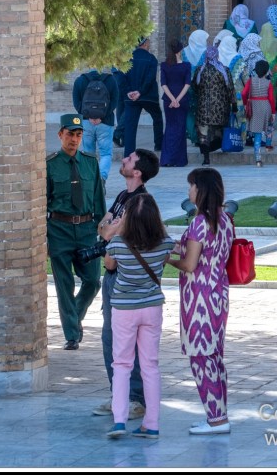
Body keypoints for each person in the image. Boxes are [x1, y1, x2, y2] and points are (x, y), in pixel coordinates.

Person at [93, 148, 160, 420]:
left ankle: (135, 399)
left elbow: (109, 231)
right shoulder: (123, 197)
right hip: (111, 277)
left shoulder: (141, 203)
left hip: (126, 277)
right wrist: (108, 226)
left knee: (127, 342)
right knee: (110, 338)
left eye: (129, 159)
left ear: (138, 171)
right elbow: (103, 226)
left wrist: (109, 227)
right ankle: (118, 395)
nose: (124, 160)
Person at [167, 168, 234, 435]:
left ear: (200, 189)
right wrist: (171, 245)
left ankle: (216, 420)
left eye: (191, 186)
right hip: (218, 293)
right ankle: (219, 415)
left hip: (199, 299)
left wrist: (168, 260)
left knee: (201, 357)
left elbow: (190, 264)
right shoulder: (225, 219)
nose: (188, 191)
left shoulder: (199, 223)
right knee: (214, 357)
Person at [103, 194, 174, 439]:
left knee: (121, 364)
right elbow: (164, 261)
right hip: (152, 307)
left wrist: (117, 228)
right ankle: (151, 423)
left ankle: (119, 420)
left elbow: (109, 265)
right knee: (150, 366)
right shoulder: (165, 242)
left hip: (124, 308)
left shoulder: (117, 243)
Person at [46, 113, 106, 349]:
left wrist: (103, 230)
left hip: (86, 229)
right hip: (59, 229)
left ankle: (75, 318)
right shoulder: (50, 165)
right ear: (60, 134)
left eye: (79, 135)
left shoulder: (90, 163)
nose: (74, 139)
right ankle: (72, 334)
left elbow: (98, 200)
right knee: (64, 283)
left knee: (93, 281)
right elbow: (43, 201)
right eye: (70, 134)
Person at [72, 67, 119, 183]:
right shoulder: (111, 80)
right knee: (106, 153)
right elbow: (115, 101)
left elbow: (76, 102)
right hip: (105, 122)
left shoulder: (80, 80)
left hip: (87, 123)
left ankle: (91, 179)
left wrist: (88, 116)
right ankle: (102, 177)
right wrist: (101, 117)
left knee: (88, 153)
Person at [193, 45, 237, 166]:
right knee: (218, 131)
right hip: (220, 108)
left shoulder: (199, 70)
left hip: (203, 108)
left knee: (203, 133)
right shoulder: (224, 70)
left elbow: (194, 87)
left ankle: (206, 158)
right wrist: (234, 104)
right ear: (217, 55)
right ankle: (216, 148)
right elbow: (230, 89)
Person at [122, 38, 163, 156]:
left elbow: (122, 77)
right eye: (149, 41)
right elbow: (150, 78)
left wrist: (129, 91)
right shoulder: (151, 59)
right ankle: (159, 144)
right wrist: (140, 92)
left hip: (130, 98)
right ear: (145, 43)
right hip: (148, 96)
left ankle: (128, 155)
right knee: (157, 118)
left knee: (130, 126)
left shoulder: (127, 59)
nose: (150, 43)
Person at [159, 40, 191, 167]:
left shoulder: (164, 65)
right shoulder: (186, 66)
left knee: (169, 128)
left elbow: (163, 84)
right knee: (180, 129)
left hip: (168, 101)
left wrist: (172, 99)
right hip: (182, 101)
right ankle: (179, 160)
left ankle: (167, 159)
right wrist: (177, 99)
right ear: (180, 51)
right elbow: (187, 84)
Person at [242, 60, 276, 167]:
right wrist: (273, 112)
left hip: (254, 106)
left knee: (257, 133)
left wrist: (245, 104)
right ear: (266, 71)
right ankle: (268, 146)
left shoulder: (250, 81)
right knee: (269, 127)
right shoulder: (268, 83)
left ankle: (258, 159)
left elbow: (243, 93)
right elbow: (271, 98)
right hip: (266, 105)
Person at [216, 34, 248, 142]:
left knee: (223, 116)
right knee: (239, 116)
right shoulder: (238, 59)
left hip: (220, 94)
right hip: (237, 94)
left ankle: (224, 140)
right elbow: (245, 77)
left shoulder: (217, 58)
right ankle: (239, 139)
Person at [182, 29, 209, 146]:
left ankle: (193, 137)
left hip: (186, 86)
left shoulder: (184, 52)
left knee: (189, 112)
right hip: (202, 87)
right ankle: (200, 137)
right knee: (200, 111)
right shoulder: (206, 52)